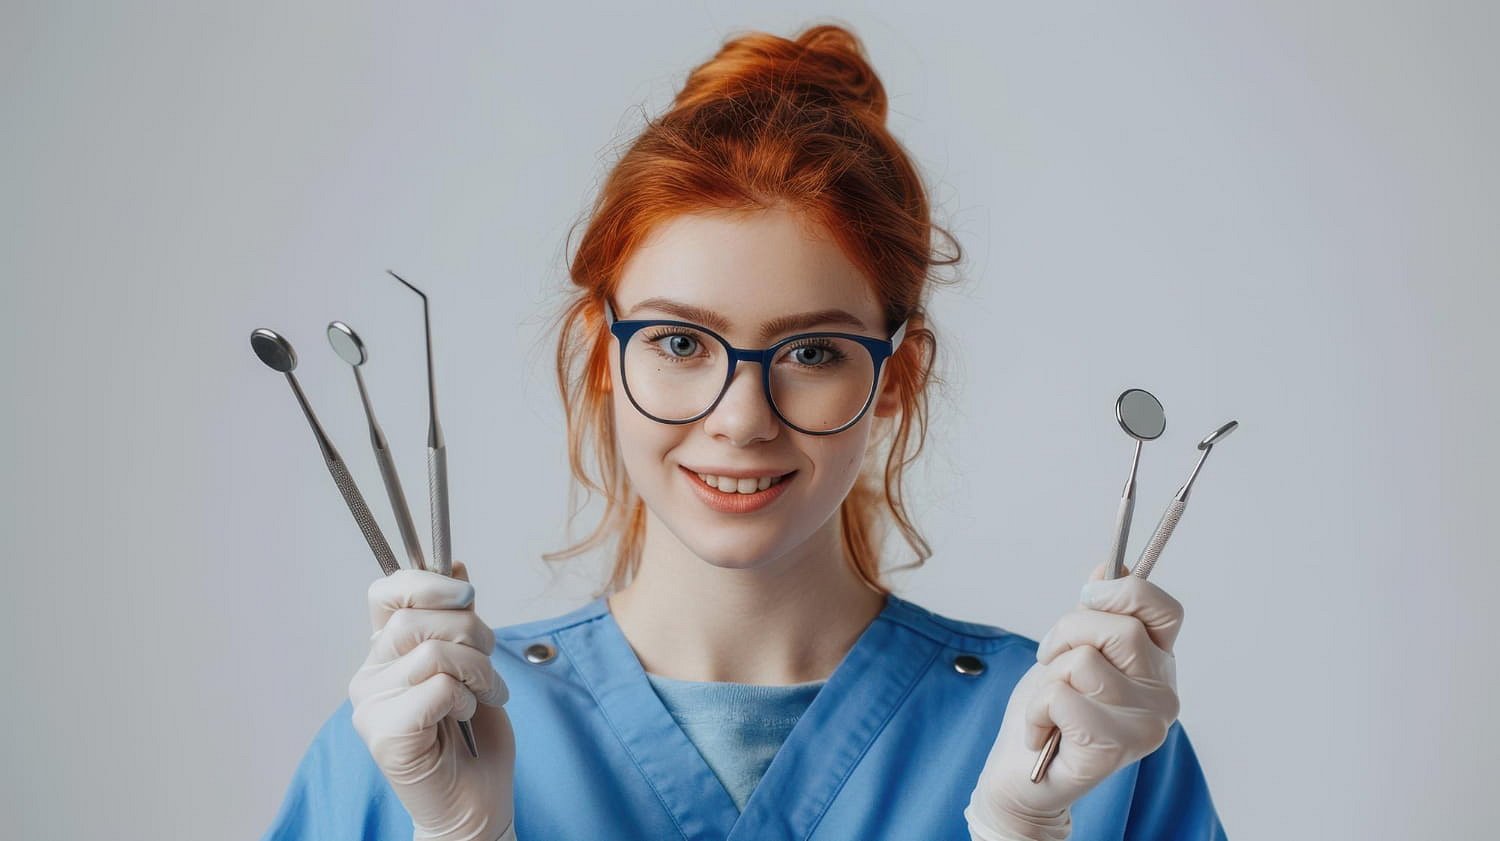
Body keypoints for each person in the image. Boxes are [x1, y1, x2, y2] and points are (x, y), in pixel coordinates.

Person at [263, 23, 1227, 841]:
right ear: (604, 356)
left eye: (811, 352)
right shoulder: (410, 741)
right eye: (680, 340)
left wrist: (1026, 831)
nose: (739, 419)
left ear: (898, 376)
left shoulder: (1083, 739)